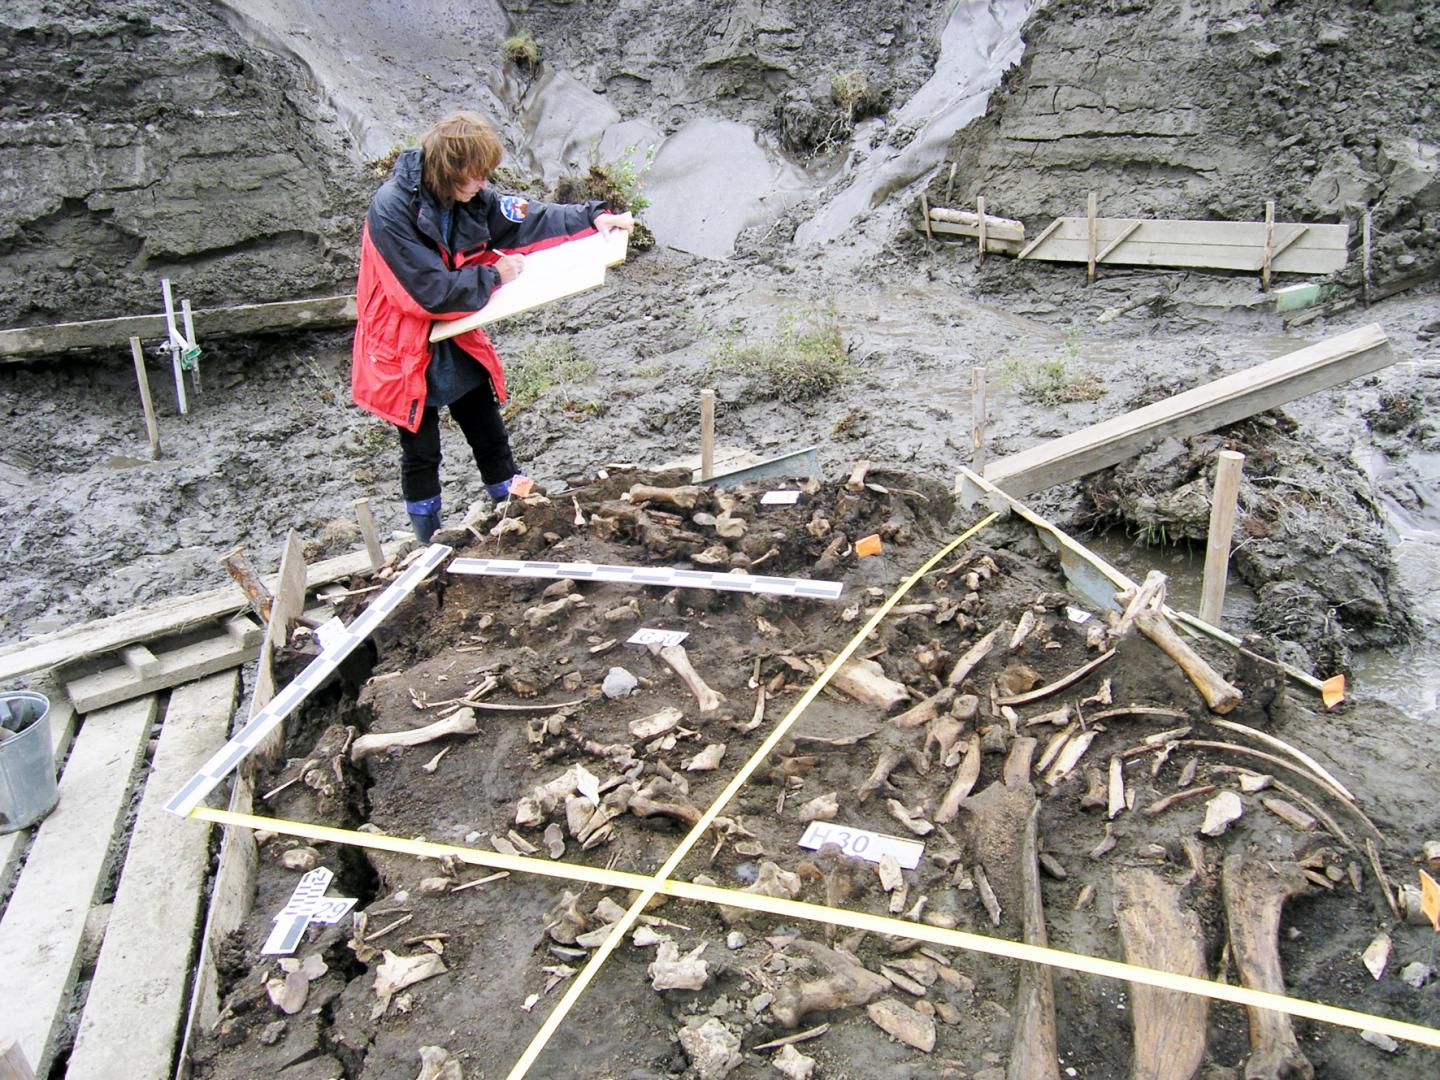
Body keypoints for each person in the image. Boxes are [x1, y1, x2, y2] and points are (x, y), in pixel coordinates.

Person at [351, 111, 634, 541]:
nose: (484, 184)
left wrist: (591, 218)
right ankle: (430, 542)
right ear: (449, 170)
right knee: (422, 454)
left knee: (489, 432)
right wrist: (495, 276)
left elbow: (526, 218)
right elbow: (428, 292)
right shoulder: (391, 209)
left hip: (457, 334)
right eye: (476, 176)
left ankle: (514, 522)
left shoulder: (471, 198)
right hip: (405, 347)